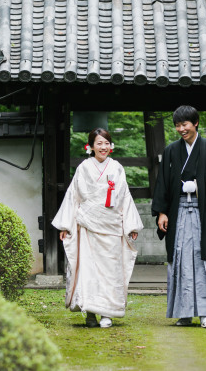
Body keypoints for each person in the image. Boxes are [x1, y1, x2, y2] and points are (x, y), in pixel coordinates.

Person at [151, 105, 206, 328]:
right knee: (179, 258)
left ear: (195, 123)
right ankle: (184, 313)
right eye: (178, 125)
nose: (181, 129)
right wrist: (161, 212)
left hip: (204, 212)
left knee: (203, 258)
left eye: (185, 124)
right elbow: (162, 183)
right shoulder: (171, 150)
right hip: (178, 211)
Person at [52, 128, 143, 328]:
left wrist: (131, 225)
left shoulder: (117, 167)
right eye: (99, 143)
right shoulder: (84, 168)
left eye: (106, 143)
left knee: (110, 271)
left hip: (111, 226)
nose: (103, 147)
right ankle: (90, 312)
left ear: (111, 146)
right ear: (91, 146)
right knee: (88, 271)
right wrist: (66, 225)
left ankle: (107, 313)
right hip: (88, 226)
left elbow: (125, 197)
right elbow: (73, 196)